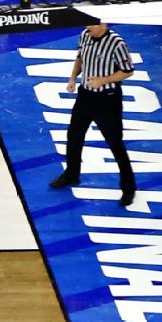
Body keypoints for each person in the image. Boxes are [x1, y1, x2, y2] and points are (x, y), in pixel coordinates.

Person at [49, 24, 137, 206]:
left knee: (115, 144)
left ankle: (128, 189)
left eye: (93, 25)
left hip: (108, 99)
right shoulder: (85, 35)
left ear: (104, 24)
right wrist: (73, 78)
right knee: (74, 136)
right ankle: (72, 174)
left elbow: (128, 71)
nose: (89, 28)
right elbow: (80, 58)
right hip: (85, 95)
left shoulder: (117, 43)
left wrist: (103, 80)